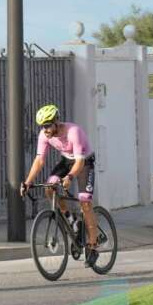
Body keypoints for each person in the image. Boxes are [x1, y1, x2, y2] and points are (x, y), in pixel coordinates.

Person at [20, 104, 100, 267]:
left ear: (57, 121)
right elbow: (39, 160)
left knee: (85, 201)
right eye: (42, 126)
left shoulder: (73, 132)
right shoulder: (44, 135)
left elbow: (79, 162)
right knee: (50, 187)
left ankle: (93, 245)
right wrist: (27, 182)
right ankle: (72, 220)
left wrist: (69, 177)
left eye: (48, 125)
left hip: (84, 162)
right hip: (66, 161)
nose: (45, 129)